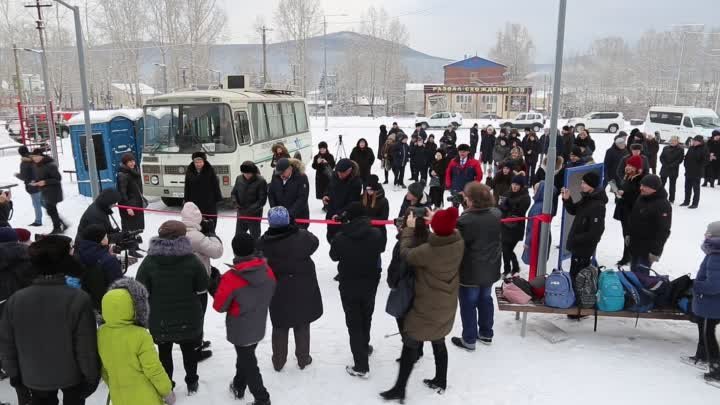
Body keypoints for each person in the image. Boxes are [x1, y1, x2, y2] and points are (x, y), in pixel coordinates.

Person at [0, 235, 100, 405]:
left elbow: (7, 344)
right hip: (72, 377)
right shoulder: (78, 299)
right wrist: (91, 377)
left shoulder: (16, 300)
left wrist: (15, 376)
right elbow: (86, 347)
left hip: (33, 376)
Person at [380, 207, 463, 402]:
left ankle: (399, 388)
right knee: (438, 340)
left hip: (426, 307)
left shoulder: (429, 251)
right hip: (445, 304)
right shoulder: (458, 243)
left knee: (410, 343)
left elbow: (407, 254)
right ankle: (441, 380)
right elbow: (453, 230)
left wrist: (407, 230)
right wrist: (439, 220)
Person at [135, 220, 209, 394]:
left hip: (160, 319)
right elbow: (201, 287)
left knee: (164, 352)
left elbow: (140, 289)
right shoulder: (192, 260)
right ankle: (192, 382)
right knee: (189, 351)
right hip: (188, 318)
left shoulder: (149, 261)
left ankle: (167, 384)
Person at [214, 232, 276, 405]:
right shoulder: (267, 269)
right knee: (246, 356)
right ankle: (239, 385)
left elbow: (219, 306)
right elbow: (271, 289)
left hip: (240, 328)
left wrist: (216, 286)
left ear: (235, 252)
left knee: (248, 362)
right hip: (258, 322)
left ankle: (262, 398)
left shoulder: (231, 278)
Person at [259, 206, 321, 372]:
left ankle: (278, 361)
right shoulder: (301, 236)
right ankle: (303, 358)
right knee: (302, 324)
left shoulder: (264, 242)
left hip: (278, 291)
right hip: (302, 287)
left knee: (280, 325)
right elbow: (315, 243)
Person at [98, 278, 175, 405]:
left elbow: (104, 370)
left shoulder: (101, 334)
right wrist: (167, 392)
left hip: (119, 398)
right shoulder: (140, 335)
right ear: (135, 307)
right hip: (146, 398)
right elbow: (154, 370)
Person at [329, 203, 384, 378]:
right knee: (366, 316)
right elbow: (381, 248)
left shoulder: (341, 237)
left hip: (349, 283)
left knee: (354, 323)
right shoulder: (376, 234)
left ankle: (361, 365)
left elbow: (333, 256)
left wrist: (340, 227)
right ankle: (364, 347)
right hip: (370, 283)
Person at [451, 182, 502, 351]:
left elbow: (456, 241)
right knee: (485, 300)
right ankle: (486, 333)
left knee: (468, 303)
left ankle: (469, 338)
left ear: (472, 200)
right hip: (490, 267)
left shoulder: (465, 220)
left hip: (470, 270)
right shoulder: (496, 214)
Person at [180, 201, 223, 357]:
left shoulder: (179, 232)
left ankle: (196, 342)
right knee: (198, 316)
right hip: (198, 284)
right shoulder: (196, 236)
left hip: (184, 282)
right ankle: (195, 348)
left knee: (192, 316)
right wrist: (211, 233)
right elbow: (217, 251)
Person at [560, 172, 607, 282]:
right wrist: (567, 199)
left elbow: (597, 231)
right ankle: (575, 296)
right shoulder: (587, 198)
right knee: (575, 275)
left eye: (584, 183)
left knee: (579, 277)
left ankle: (579, 297)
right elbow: (574, 210)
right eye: (582, 182)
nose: (582, 185)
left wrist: (577, 238)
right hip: (578, 246)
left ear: (592, 185)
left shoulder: (598, 205)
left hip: (584, 248)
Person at [690, 221, 720, 387]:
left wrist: (696, 285)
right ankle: (701, 356)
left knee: (708, 333)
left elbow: (715, 285)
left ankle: (716, 371)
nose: (705, 235)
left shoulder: (717, 255)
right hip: (709, 303)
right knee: (703, 327)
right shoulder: (713, 252)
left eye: (708, 233)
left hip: (713, 303)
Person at [628, 175, 672, 275]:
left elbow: (663, 230)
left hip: (647, 250)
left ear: (654, 188)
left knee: (641, 275)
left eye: (645, 186)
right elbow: (633, 218)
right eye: (641, 185)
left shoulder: (663, 205)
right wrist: (629, 234)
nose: (641, 188)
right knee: (633, 272)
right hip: (635, 244)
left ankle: (640, 290)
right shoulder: (641, 197)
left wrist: (656, 252)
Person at [76, 224, 124, 312]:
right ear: (99, 240)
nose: (108, 238)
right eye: (105, 237)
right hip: (107, 305)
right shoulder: (109, 260)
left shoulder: (78, 254)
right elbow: (118, 285)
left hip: (87, 303)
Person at [613, 155, 644, 266]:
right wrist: (618, 193)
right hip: (624, 211)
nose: (627, 167)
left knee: (629, 235)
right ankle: (628, 256)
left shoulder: (640, 179)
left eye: (631, 166)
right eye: (627, 165)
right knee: (625, 234)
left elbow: (637, 197)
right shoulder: (627, 176)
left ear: (637, 168)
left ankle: (628, 257)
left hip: (632, 213)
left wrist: (624, 194)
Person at [499, 176, 531, 278]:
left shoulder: (525, 197)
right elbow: (500, 206)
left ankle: (513, 268)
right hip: (505, 225)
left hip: (516, 228)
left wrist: (508, 205)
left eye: (517, 185)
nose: (514, 186)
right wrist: (502, 206)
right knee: (505, 249)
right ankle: (508, 269)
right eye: (513, 184)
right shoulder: (507, 193)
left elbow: (520, 211)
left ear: (521, 186)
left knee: (507, 249)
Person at [323, 158, 362, 243]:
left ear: (349, 170)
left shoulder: (356, 182)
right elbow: (329, 187)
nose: (339, 175)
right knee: (331, 239)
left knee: (343, 242)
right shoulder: (336, 175)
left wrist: (339, 214)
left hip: (345, 218)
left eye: (342, 173)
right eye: (338, 173)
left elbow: (352, 203)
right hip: (331, 214)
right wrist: (326, 195)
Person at [29, 148, 66, 234]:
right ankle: (61, 226)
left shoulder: (50, 165)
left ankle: (57, 228)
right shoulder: (38, 165)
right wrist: (36, 182)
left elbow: (58, 179)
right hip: (46, 191)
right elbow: (42, 177)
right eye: (33, 157)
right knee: (51, 210)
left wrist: (45, 182)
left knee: (51, 210)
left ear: (41, 156)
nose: (34, 158)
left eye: (36, 156)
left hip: (53, 191)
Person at [183, 152, 223, 231]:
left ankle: (211, 235)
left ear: (204, 161)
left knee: (210, 221)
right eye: (196, 162)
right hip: (194, 201)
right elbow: (187, 187)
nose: (198, 164)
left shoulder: (210, 170)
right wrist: (186, 200)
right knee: (196, 221)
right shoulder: (189, 171)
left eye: (200, 162)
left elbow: (215, 185)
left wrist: (218, 198)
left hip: (208, 201)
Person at [268, 158, 310, 228]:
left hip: (298, 218)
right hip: (280, 219)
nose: (281, 176)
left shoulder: (301, 177)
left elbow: (302, 198)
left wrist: (288, 214)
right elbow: (271, 194)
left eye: (283, 172)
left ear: (290, 168)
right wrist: (275, 211)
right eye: (279, 173)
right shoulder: (275, 177)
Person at [117, 153, 146, 254]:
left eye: (133, 160)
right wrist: (127, 207)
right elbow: (122, 192)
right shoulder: (123, 175)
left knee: (136, 226)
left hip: (136, 203)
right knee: (129, 227)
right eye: (129, 161)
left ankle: (135, 246)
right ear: (125, 163)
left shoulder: (134, 171)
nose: (132, 163)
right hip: (129, 205)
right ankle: (131, 249)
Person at [231, 161, 268, 240]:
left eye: (249, 173)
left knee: (255, 237)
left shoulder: (261, 181)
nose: (247, 175)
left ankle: (256, 251)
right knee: (239, 237)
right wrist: (235, 203)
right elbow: (234, 193)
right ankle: (240, 252)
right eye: (245, 173)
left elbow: (262, 200)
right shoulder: (239, 178)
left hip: (254, 216)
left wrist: (249, 210)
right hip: (241, 214)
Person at [14, 146, 42, 226]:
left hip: (32, 185)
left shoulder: (24, 163)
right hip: (40, 183)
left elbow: (24, 176)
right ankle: (56, 217)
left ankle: (38, 221)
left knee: (37, 203)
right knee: (42, 203)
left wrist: (17, 175)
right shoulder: (34, 158)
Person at [362, 175, 390, 250]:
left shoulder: (383, 201)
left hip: (378, 233)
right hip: (363, 232)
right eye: (367, 189)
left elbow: (384, 218)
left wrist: (367, 220)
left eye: (370, 189)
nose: (368, 192)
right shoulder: (362, 198)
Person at [681, 135, 709, 209]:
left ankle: (695, 203)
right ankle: (686, 201)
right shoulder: (691, 147)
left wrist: (698, 166)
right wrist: (685, 164)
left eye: (695, 141)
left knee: (696, 189)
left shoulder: (704, 149)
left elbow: (706, 161)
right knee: (687, 188)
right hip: (688, 171)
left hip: (697, 172)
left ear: (700, 142)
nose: (694, 142)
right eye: (693, 140)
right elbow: (687, 157)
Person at [660, 136, 685, 203]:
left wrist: (671, 165)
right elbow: (661, 157)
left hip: (673, 169)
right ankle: (660, 197)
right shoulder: (665, 148)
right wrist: (664, 164)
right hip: (664, 168)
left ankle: (671, 199)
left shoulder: (680, 149)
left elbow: (680, 159)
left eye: (674, 141)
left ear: (677, 142)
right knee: (661, 184)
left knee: (672, 185)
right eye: (671, 140)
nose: (672, 142)